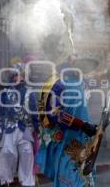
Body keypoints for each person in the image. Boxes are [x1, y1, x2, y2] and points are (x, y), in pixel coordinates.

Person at [36, 56, 97, 187]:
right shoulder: (65, 86)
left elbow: (81, 110)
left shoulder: (78, 85)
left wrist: (90, 125)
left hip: (80, 138)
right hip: (69, 139)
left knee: (82, 172)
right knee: (71, 173)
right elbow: (57, 115)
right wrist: (83, 125)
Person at [0, 57, 39, 187]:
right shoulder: (5, 92)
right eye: (18, 74)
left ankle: (27, 182)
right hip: (9, 128)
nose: (20, 77)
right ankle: (5, 181)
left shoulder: (30, 92)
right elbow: (1, 111)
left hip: (25, 129)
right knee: (7, 153)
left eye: (22, 75)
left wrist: (37, 129)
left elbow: (34, 112)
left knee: (27, 154)